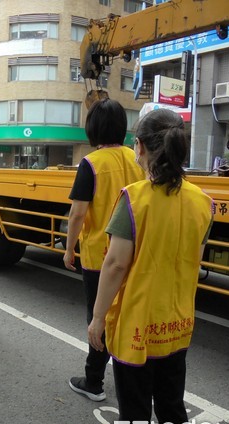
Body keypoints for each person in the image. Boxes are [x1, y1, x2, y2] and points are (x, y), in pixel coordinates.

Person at [88, 108, 213, 424]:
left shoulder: (134, 199)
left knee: (135, 412)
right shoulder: (203, 202)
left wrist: (98, 319)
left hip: (137, 327)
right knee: (172, 401)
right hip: (177, 324)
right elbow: (193, 262)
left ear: (140, 147)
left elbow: (114, 266)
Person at [63, 98, 144, 401]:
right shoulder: (137, 159)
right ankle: (132, 375)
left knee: (99, 318)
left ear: (92, 129)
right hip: (133, 253)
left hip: (100, 257)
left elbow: (78, 214)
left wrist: (69, 250)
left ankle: (93, 381)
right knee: (127, 315)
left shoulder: (91, 163)